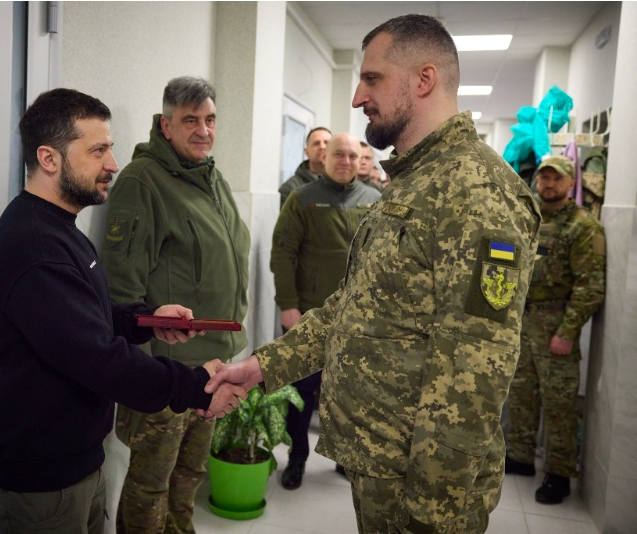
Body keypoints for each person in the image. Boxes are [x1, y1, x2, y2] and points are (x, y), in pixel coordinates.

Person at [204, 14, 541, 533]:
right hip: (381, 460)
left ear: (423, 80)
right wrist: (265, 367)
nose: (359, 97)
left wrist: (432, 510)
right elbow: (353, 304)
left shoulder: (474, 189)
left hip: (422, 484)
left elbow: (475, 368)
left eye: (372, 79)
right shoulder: (411, 181)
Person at [0, 88, 245, 534]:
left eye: (110, 148)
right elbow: (98, 359)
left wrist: (147, 320)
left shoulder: (59, 228)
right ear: (49, 159)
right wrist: (196, 386)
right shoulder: (35, 247)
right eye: (98, 150)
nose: (113, 164)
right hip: (43, 477)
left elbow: (83, 320)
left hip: (76, 459)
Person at [101, 77, 250, 534]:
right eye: (190, 120)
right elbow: (122, 291)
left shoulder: (213, 179)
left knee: (189, 477)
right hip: (164, 372)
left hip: (210, 363)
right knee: (150, 486)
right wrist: (141, 379)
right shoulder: (142, 182)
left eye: (209, 120)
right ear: (166, 126)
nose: (203, 130)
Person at [271, 132, 381, 490]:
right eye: (339, 155)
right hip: (310, 316)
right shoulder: (304, 199)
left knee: (351, 394)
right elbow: (283, 254)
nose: (346, 161)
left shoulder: (375, 199)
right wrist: (288, 305)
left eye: (352, 155)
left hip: (360, 320)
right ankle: (297, 458)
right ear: (325, 157)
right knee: (303, 394)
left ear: (361, 159)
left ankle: (344, 459)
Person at [505, 155, 605, 505]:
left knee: (559, 402)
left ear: (570, 183)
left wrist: (567, 331)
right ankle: (519, 457)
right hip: (522, 320)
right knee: (521, 392)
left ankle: (559, 473)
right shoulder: (528, 217)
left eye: (556, 179)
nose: (548, 184)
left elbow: (590, 286)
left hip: (556, 324)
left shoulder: (583, 226)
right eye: (544, 178)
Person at [278, 126, 332, 207]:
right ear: (307, 152)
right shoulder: (290, 188)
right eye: (316, 143)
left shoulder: (343, 185)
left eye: (326, 143)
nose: (322, 147)